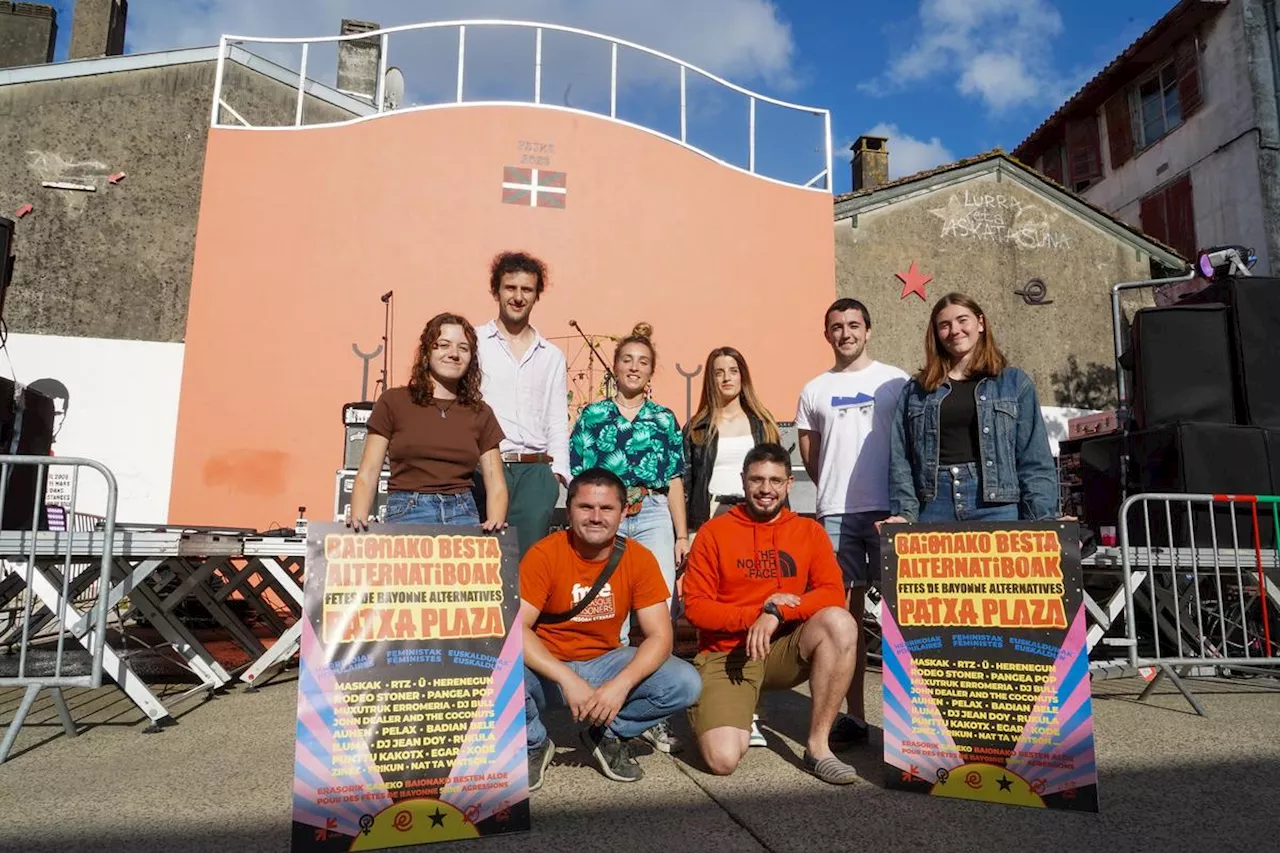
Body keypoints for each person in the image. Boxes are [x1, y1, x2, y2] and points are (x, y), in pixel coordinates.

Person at [682, 443, 861, 784]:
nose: (766, 489)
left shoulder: (809, 531)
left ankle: (819, 747)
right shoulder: (713, 533)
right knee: (722, 760)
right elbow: (696, 608)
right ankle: (723, 708)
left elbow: (831, 592)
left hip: (782, 652)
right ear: (743, 481)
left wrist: (776, 611)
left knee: (840, 622)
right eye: (757, 480)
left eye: (775, 481)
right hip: (727, 656)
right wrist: (755, 616)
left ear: (789, 484)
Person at [520, 467, 701, 789]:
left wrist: (620, 685)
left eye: (606, 508)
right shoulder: (544, 554)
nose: (595, 517)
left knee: (684, 682)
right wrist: (566, 678)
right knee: (496, 675)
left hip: (605, 661)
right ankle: (535, 744)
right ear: (569, 508)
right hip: (549, 668)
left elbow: (661, 636)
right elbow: (517, 630)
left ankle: (608, 731)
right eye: (585, 507)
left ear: (623, 512)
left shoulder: (638, 558)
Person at [569, 322, 689, 753]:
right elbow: (579, 478)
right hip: (608, 516)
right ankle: (608, 709)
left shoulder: (663, 418)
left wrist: (681, 533)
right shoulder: (593, 416)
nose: (633, 368)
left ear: (651, 372)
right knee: (611, 610)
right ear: (614, 368)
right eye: (626, 360)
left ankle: (653, 711)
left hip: (654, 513)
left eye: (642, 362)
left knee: (660, 610)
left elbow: (674, 479)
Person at [795, 298, 908, 746]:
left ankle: (909, 722)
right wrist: (837, 490)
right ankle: (854, 716)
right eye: (837, 327)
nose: (845, 333)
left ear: (868, 329)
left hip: (890, 511)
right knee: (844, 621)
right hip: (836, 515)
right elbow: (810, 453)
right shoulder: (814, 389)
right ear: (827, 334)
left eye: (854, 324)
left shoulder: (896, 380)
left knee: (904, 619)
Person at [886, 292, 1059, 524]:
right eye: (944, 325)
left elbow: (1034, 458)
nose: (954, 330)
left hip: (998, 507)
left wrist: (1044, 518)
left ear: (980, 323)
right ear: (936, 334)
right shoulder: (917, 389)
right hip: (934, 506)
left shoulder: (1014, 383)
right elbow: (901, 458)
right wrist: (904, 513)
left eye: (962, 320)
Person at [682, 345, 780, 748]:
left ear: (744, 375)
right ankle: (728, 701)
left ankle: (751, 709)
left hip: (757, 518)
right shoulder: (698, 426)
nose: (726, 378)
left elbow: (776, 479)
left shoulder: (763, 424)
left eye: (733, 370)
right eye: (719, 371)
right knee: (721, 611)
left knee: (756, 603)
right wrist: (688, 532)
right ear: (711, 378)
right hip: (715, 519)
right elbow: (688, 484)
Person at [348, 313, 508, 531]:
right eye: (443, 345)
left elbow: (496, 483)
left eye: (463, 348)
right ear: (426, 352)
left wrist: (496, 524)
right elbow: (368, 472)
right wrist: (357, 523)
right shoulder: (394, 401)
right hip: (408, 511)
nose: (454, 354)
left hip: (463, 513)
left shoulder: (481, 412)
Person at [475, 251, 570, 559]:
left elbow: (557, 418)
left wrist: (556, 477)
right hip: (485, 469)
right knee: (482, 565)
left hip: (535, 474)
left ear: (536, 295)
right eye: (510, 288)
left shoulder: (551, 356)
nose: (518, 297)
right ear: (496, 291)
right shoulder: (474, 343)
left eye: (526, 289)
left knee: (527, 568)